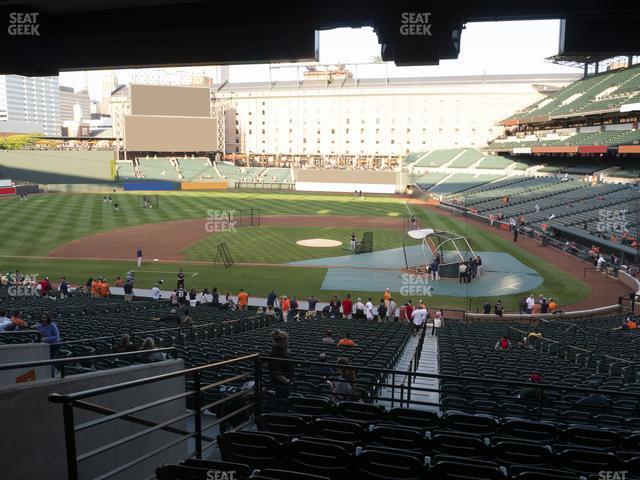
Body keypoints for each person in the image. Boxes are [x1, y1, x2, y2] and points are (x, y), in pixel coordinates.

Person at [268, 329, 295, 411]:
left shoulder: (283, 349)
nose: (288, 342)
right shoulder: (275, 353)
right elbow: (276, 372)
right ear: (281, 341)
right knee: (281, 402)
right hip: (281, 384)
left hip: (284, 382)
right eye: (286, 340)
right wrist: (287, 381)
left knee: (283, 401)